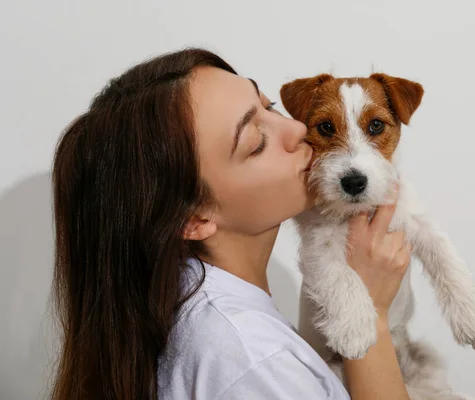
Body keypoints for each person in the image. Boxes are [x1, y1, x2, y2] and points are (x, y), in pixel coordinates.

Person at [50, 47, 413, 400]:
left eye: (268, 106)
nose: (296, 129)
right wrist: (373, 316)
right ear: (194, 218)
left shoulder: (196, 313)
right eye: (256, 142)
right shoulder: (256, 365)